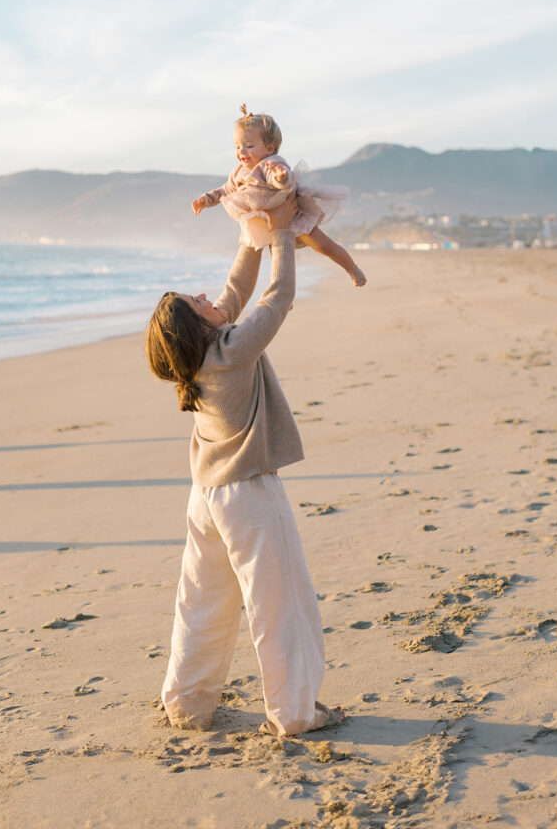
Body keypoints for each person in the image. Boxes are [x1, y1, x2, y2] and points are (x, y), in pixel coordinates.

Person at [146, 194, 343, 736]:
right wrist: (281, 233)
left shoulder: (203, 357)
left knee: (203, 602)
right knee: (281, 606)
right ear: (201, 327)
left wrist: (253, 232)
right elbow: (276, 299)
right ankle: (296, 712)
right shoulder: (232, 352)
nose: (208, 295)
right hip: (248, 496)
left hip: (206, 495)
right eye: (197, 300)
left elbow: (236, 291)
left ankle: (186, 704)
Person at [192, 105, 367, 287]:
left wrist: (280, 177)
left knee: (323, 245)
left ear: (269, 148)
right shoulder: (237, 173)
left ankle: (352, 268)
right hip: (270, 225)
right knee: (279, 261)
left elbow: (280, 180)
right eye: (237, 146)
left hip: (293, 218)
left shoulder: (271, 163)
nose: (241, 151)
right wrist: (207, 199)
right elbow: (225, 191)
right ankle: (283, 294)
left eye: (249, 146)